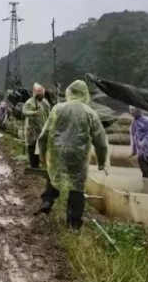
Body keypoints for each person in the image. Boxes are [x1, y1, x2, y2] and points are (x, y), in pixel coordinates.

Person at [37, 80, 108, 229]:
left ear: (69, 92)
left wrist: (42, 153)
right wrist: (102, 162)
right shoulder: (90, 113)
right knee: (77, 187)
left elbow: (44, 134)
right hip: (78, 155)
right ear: (85, 94)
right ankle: (73, 222)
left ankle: (48, 200)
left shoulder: (57, 108)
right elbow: (100, 141)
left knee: (54, 174)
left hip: (58, 151)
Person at [23, 83, 51, 171]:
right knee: (32, 145)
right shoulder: (29, 102)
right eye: (38, 94)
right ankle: (33, 165)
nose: (40, 95)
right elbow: (25, 112)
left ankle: (39, 163)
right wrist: (34, 113)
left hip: (42, 127)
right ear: (34, 93)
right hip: (32, 128)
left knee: (40, 145)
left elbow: (49, 114)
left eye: (41, 93)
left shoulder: (45, 102)